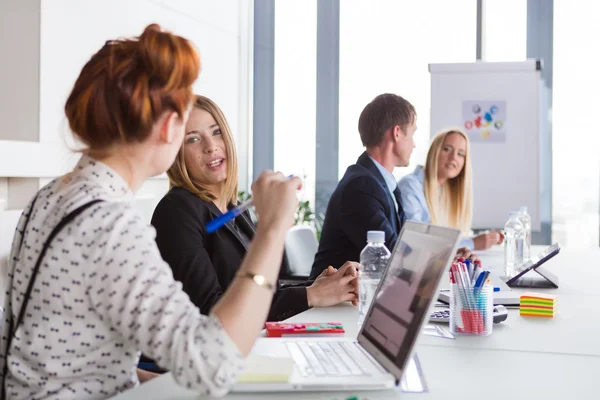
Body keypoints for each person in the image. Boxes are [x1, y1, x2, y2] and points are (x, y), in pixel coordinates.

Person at [0, 24, 303, 400]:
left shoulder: (52, 196)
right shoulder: (108, 224)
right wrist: (273, 228)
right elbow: (214, 365)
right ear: (167, 128)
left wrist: (149, 383)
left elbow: (63, 361)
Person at [151, 95, 359, 323]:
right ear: (176, 153)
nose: (211, 147)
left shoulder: (233, 209)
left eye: (216, 132)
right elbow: (211, 311)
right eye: (193, 139)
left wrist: (320, 285)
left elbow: (259, 293)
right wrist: (311, 295)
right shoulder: (177, 211)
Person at [310, 93, 415, 279]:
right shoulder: (361, 186)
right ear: (397, 132)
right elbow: (394, 256)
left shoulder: (381, 183)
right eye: (412, 134)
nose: (414, 144)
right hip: (336, 304)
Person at [397, 128, 502, 250]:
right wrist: (472, 244)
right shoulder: (410, 187)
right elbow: (416, 241)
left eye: (460, 154)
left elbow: (442, 241)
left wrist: (482, 240)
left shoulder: (443, 191)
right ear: (434, 152)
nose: (453, 158)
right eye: (447, 149)